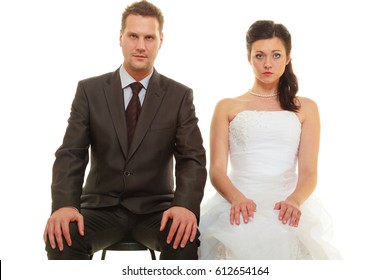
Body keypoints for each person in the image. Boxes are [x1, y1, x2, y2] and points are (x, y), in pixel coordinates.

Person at [43, 0, 207, 260]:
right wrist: (64, 206)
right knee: (62, 238)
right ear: (120, 38)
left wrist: (184, 207)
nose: (141, 46)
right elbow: (71, 152)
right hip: (100, 208)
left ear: (160, 41)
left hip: (156, 210)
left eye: (149, 37)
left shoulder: (179, 96)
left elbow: (192, 159)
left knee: (184, 239)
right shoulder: (90, 91)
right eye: (133, 36)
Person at [198, 20, 340, 259]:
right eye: (259, 55)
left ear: (287, 58)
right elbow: (217, 170)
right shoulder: (227, 107)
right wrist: (237, 199)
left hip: (286, 200)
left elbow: (308, 171)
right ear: (248, 57)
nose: (267, 64)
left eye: (276, 55)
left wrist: (294, 201)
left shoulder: (306, 108)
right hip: (238, 198)